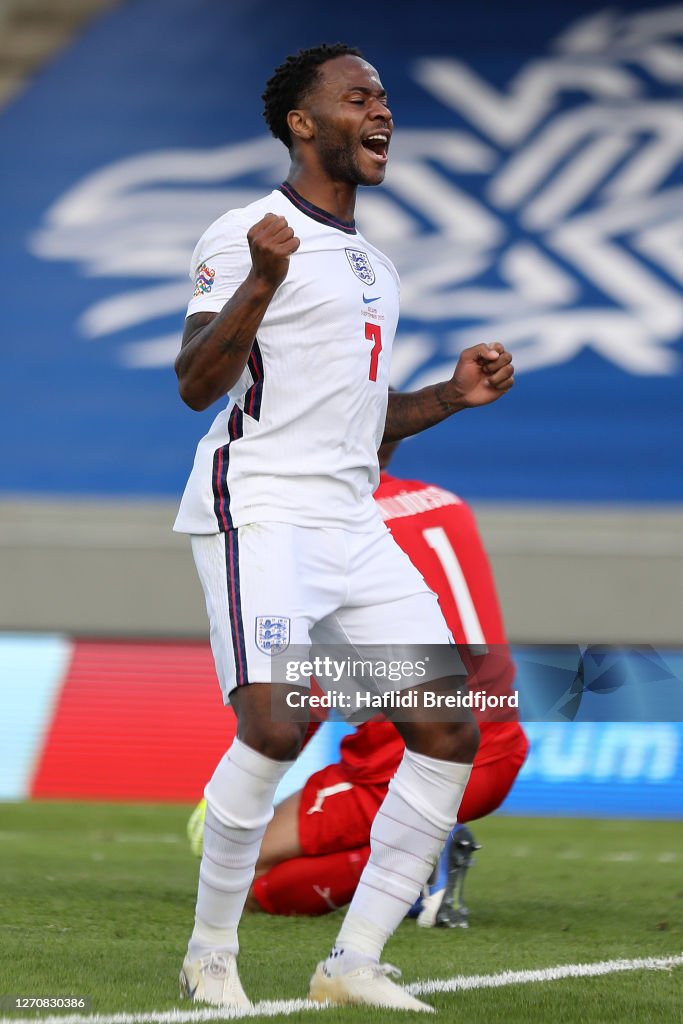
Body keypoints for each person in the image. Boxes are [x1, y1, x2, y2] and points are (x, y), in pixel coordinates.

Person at [173, 42, 514, 1013]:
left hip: (348, 520)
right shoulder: (250, 230)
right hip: (265, 513)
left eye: (383, 98)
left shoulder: (373, 263)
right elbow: (195, 381)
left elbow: (360, 425)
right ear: (301, 122)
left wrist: (449, 395)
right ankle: (208, 952)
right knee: (279, 721)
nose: (381, 111)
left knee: (452, 725)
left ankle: (353, 958)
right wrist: (258, 284)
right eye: (356, 96)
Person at [187, 442, 529, 927]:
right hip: (500, 742)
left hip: (403, 761)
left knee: (238, 868)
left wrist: (245, 788)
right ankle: (417, 844)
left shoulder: (330, 534)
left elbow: (298, 706)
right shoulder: (445, 501)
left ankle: (418, 862)